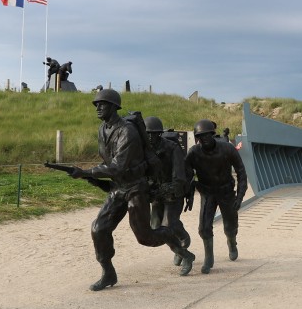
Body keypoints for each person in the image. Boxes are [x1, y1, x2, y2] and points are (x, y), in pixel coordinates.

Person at [69, 89, 196, 291]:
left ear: (114, 106)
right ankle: (108, 273)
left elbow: (118, 165)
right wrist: (91, 176)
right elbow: (107, 161)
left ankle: (183, 252)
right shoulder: (103, 129)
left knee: (145, 237)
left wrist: (86, 172)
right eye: (96, 104)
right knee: (99, 229)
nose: (98, 107)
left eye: (102, 104)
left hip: (136, 188)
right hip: (118, 188)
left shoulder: (127, 131)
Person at [185, 119, 248, 274]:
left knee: (230, 226)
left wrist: (239, 197)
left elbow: (241, 173)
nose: (204, 139)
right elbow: (185, 174)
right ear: (197, 138)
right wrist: (189, 190)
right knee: (204, 228)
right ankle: (209, 257)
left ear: (213, 135)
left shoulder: (227, 149)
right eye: (201, 136)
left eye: (207, 135)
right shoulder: (193, 153)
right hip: (207, 192)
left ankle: (232, 243)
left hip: (226, 192)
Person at [144, 116, 191, 266]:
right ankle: (178, 242)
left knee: (168, 223)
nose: (151, 137)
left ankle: (183, 241)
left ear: (159, 133)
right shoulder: (145, 150)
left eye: (154, 133)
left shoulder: (172, 148)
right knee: (156, 227)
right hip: (156, 194)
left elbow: (179, 178)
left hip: (173, 193)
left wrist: (166, 189)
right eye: (147, 133)